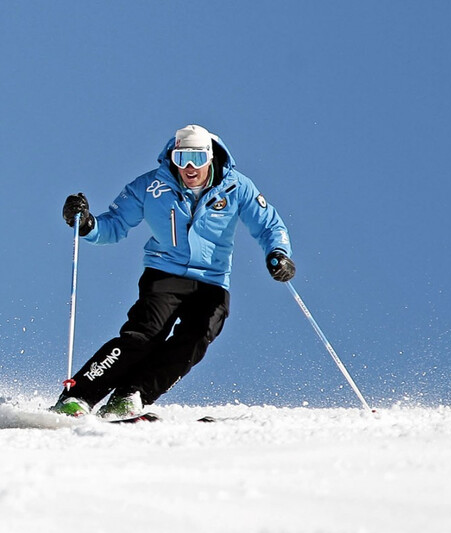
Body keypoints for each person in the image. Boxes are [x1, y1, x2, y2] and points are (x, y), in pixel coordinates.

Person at [52, 124, 295, 419]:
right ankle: (78, 395)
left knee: (195, 340)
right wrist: (86, 223)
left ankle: (131, 394)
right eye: (181, 159)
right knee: (144, 335)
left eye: (196, 158)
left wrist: (278, 254)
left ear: (210, 156)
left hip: (212, 281)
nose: (189, 167)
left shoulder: (236, 186)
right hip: (164, 273)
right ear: (171, 157)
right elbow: (113, 225)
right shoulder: (151, 186)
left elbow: (269, 224)